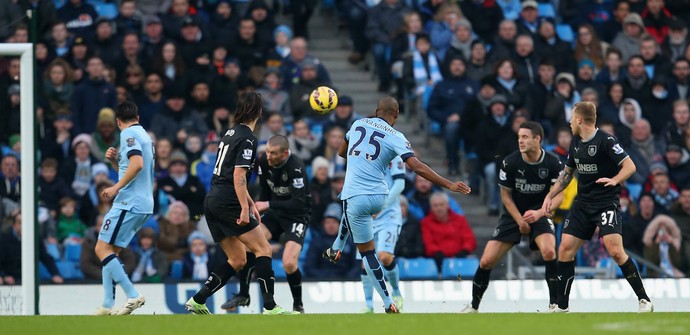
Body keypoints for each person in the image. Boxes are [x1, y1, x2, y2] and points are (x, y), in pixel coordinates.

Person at [322, 97, 471, 313]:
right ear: (397, 115)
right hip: (381, 197)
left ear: (375, 111)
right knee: (354, 215)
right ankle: (336, 249)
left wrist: (358, 156)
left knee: (367, 252)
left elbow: (341, 153)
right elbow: (417, 167)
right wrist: (448, 184)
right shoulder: (397, 137)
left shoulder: (356, 124)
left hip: (358, 198)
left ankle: (386, 299)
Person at [184, 92, 297, 315]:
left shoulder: (229, 133)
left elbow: (228, 173)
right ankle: (270, 307)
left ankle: (198, 300)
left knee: (237, 259)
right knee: (263, 247)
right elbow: (238, 176)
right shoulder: (248, 137)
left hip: (213, 200)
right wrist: (244, 208)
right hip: (228, 200)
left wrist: (250, 203)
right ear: (260, 112)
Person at [541, 102, 653, 313]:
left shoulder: (606, 140)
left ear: (580, 119)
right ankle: (562, 306)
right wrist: (550, 195)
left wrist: (615, 180)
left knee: (615, 250)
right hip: (583, 203)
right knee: (565, 249)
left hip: (606, 203)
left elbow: (630, 166)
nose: (569, 122)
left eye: (572, 118)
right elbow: (566, 175)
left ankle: (644, 300)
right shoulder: (575, 142)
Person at [461, 121, 563, 313]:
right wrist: (520, 221)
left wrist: (541, 213)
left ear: (537, 139)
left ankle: (555, 304)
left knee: (549, 252)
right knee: (486, 261)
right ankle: (473, 306)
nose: (520, 141)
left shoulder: (553, 162)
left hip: (540, 212)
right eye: (519, 137)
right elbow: (505, 197)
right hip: (514, 214)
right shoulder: (510, 162)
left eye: (525, 137)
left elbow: (560, 196)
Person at [220, 135, 312, 313]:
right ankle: (244, 294)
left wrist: (268, 204)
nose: (268, 156)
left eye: (273, 153)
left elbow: (299, 203)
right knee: (248, 244)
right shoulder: (263, 161)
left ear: (285, 154)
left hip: (297, 217)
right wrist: (258, 209)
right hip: (274, 215)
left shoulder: (296, 167)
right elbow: (264, 190)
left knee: (289, 264)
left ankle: (298, 305)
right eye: (268, 151)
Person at [94, 101, 155, 315]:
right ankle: (108, 304)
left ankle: (132, 295)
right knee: (112, 252)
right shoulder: (145, 136)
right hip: (143, 202)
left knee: (101, 249)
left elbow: (137, 164)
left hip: (129, 202)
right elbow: (133, 168)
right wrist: (115, 161)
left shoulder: (127, 134)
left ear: (118, 122)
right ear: (138, 118)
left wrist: (115, 187)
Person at [359, 155, 406, 313]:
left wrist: (382, 206)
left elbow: (399, 184)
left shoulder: (394, 154)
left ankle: (397, 292)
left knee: (384, 256)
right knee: (366, 262)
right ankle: (369, 305)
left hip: (388, 216)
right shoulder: (361, 156)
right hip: (367, 216)